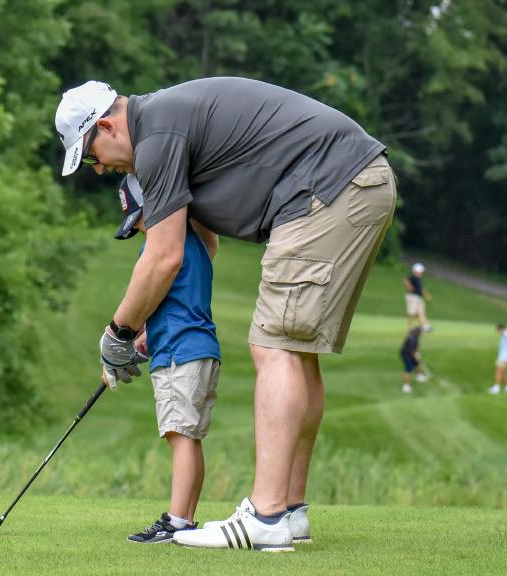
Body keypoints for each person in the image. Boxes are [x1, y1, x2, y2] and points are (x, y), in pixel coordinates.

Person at [56, 77, 396, 552]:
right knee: (296, 351)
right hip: (355, 181)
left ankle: (266, 515)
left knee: (274, 346)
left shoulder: (156, 138)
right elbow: (204, 242)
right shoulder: (163, 125)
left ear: (108, 126)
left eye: (91, 156)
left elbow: (163, 256)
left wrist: (118, 333)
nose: (98, 169)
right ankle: (289, 510)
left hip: (327, 188)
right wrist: (150, 318)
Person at [109, 176, 221, 545]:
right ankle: (185, 521)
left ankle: (176, 522)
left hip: (178, 354)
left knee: (179, 436)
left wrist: (122, 341)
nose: (142, 230)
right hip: (202, 349)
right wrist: (147, 338)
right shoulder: (196, 244)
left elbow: (145, 299)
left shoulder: (160, 249)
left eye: (141, 219)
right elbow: (173, 303)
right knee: (190, 437)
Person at [403, 262, 432, 332]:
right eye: (419, 271)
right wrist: (409, 287)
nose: (421, 272)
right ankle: (410, 327)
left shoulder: (419, 279)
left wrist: (426, 295)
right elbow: (405, 281)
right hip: (412, 296)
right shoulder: (412, 277)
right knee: (412, 312)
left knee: (421, 312)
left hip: (419, 297)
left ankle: (425, 326)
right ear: (415, 270)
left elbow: (421, 289)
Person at [399, 327, 423, 394]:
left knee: (417, 363)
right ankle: (406, 386)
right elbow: (411, 351)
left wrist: (418, 353)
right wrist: (416, 357)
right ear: (418, 333)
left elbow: (416, 346)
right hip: (406, 354)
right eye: (421, 333)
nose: (422, 334)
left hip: (411, 353)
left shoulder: (416, 337)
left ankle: (419, 376)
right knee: (408, 369)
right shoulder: (411, 339)